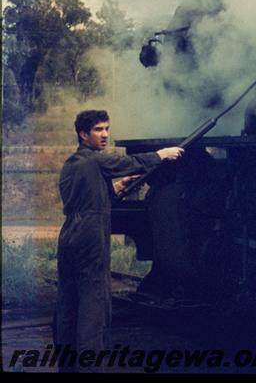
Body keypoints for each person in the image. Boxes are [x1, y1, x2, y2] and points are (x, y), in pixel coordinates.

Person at [53, 109, 183, 372]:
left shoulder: (73, 164)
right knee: (94, 303)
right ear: (83, 134)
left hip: (69, 235)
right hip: (90, 236)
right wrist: (161, 155)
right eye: (98, 130)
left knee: (68, 302)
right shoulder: (95, 161)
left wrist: (120, 186)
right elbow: (126, 162)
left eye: (106, 129)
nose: (105, 135)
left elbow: (88, 197)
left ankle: (67, 365)